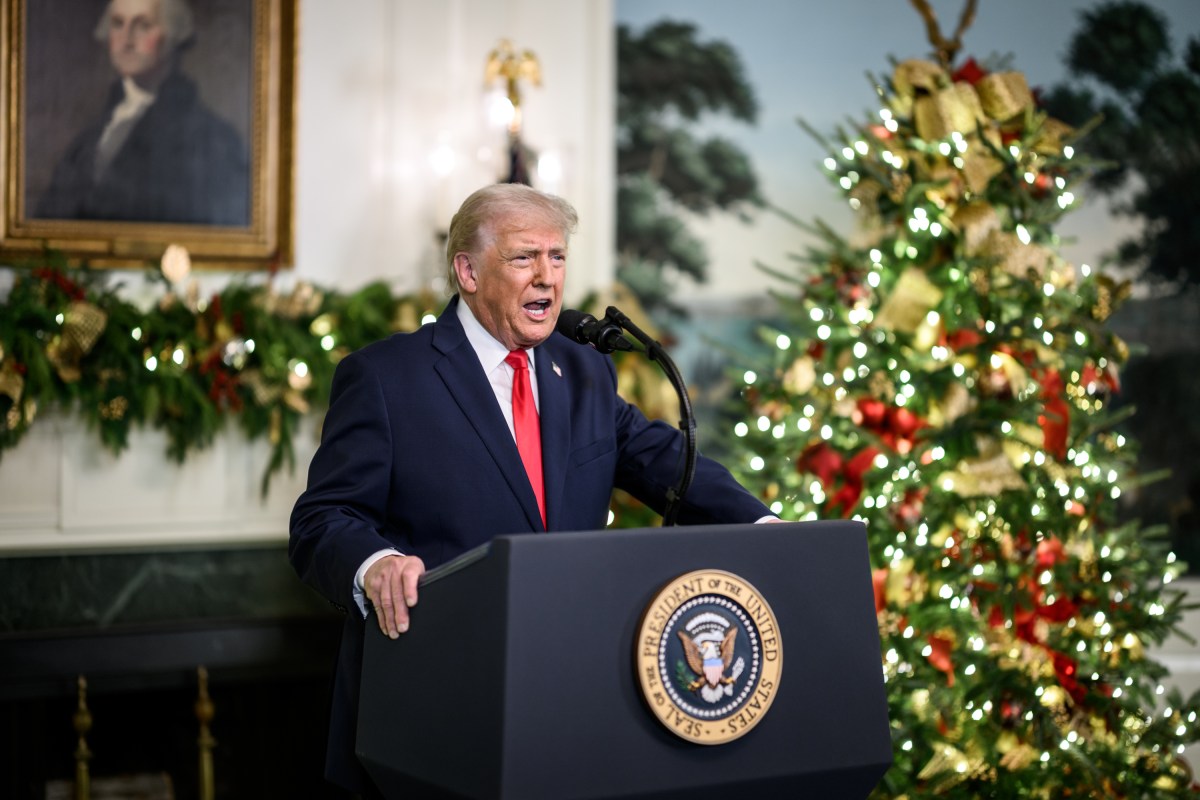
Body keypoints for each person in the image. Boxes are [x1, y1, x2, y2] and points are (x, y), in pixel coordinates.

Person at [289, 183, 775, 795]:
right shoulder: (387, 377)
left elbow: (659, 457)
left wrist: (766, 528)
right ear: (467, 271)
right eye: (524, 257)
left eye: (557, 257)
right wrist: (374, 564)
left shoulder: (584, 368)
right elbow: (322, 519)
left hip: (564, 703)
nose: (547, 277)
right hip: (433, 708)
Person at [35, 0, 249, 225]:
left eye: (143, 26)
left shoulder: (212, 139)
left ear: (173, 35)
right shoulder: (92, 134)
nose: (126, 40)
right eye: (118, 24)